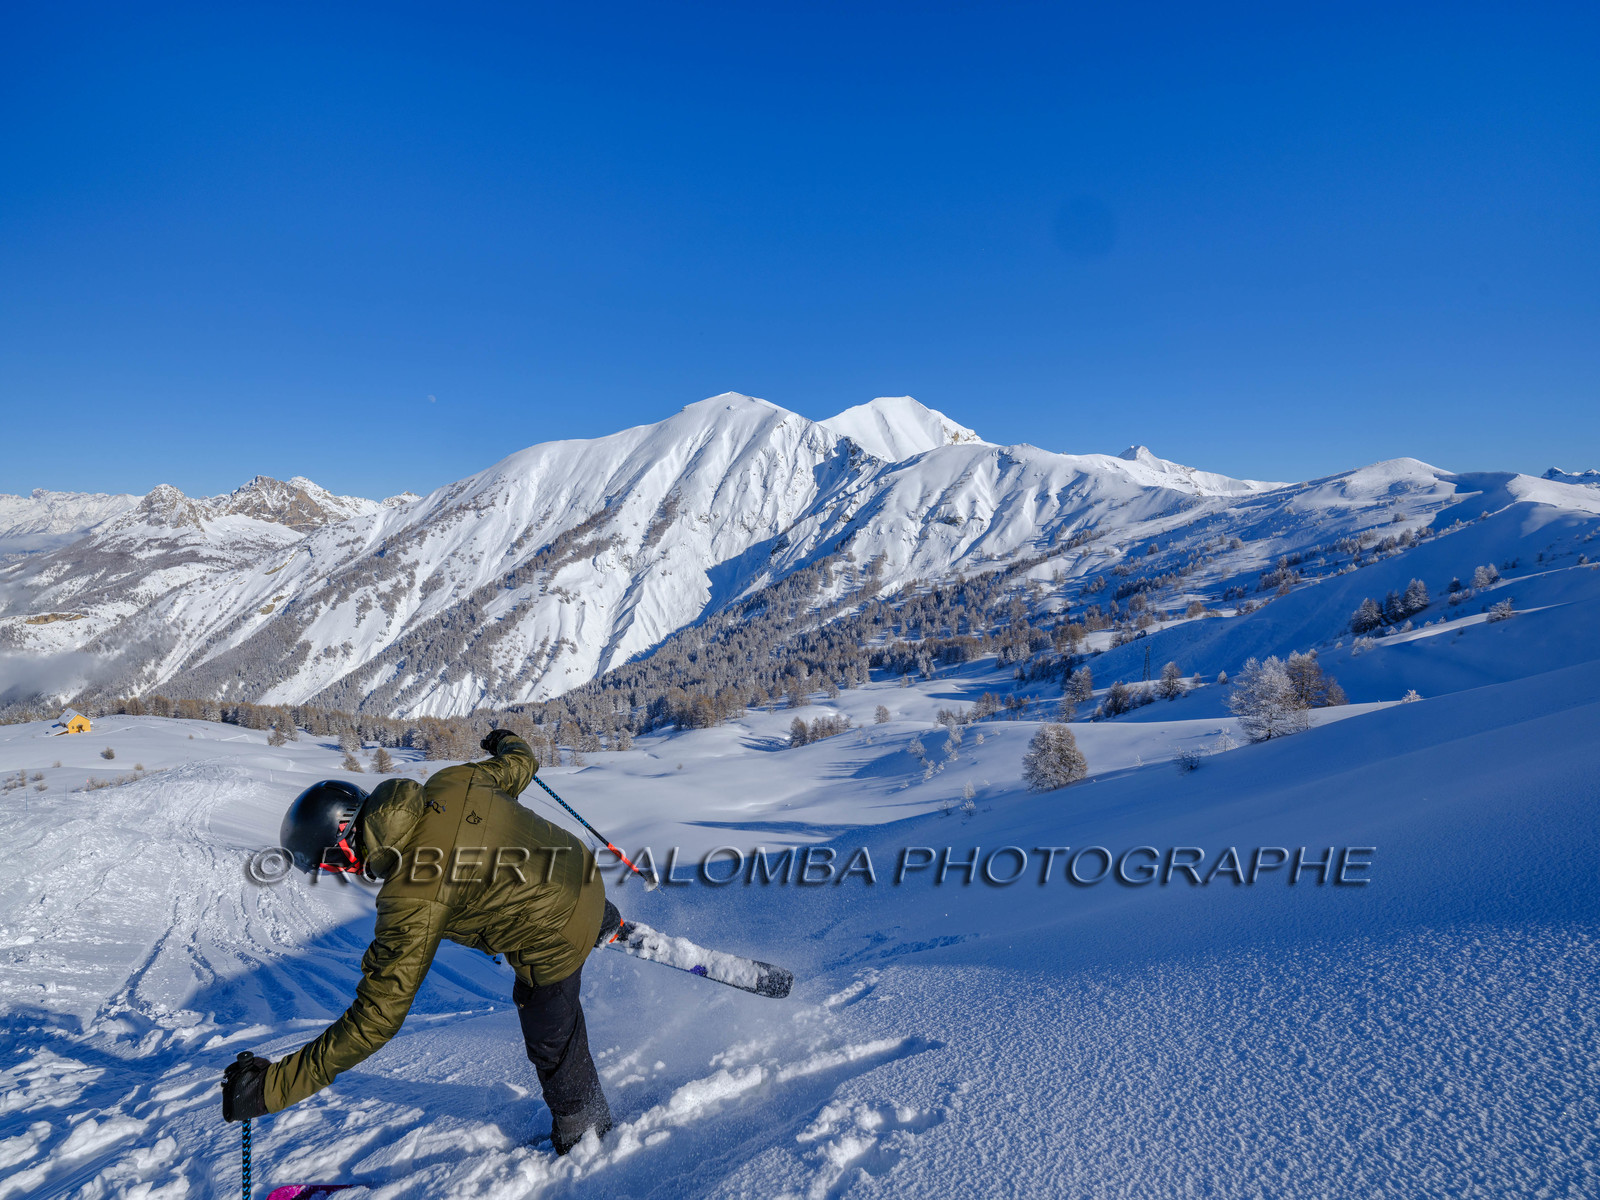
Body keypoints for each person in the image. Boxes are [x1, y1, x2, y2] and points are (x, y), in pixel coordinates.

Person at [220, 729, 619, 1155]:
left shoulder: (413, 894)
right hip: (585, 875)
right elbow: (522, 762)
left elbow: (376, 1019)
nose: (342, 874)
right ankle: (609, 923)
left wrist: (269, 1090)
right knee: (559, 910)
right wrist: (505, 741)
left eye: (331, 864)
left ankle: (587, 1133)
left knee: (547, 1029)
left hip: (553, 935)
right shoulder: (454, 780)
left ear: (346, 847)